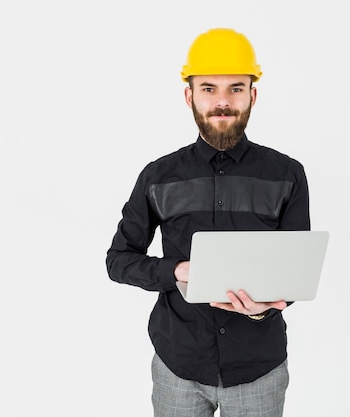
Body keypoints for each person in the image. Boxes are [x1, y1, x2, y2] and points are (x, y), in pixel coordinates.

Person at [106, 28, 310, 417]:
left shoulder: (288, 175)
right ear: (189, 96)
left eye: (236, 88)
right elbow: (118, 260)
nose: (222, 102)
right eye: (209, 88)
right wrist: (176, 270)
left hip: (258, 371)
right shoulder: (158, 176)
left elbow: (296, 270)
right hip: (177, 366)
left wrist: (262, 307)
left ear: (253, 94)